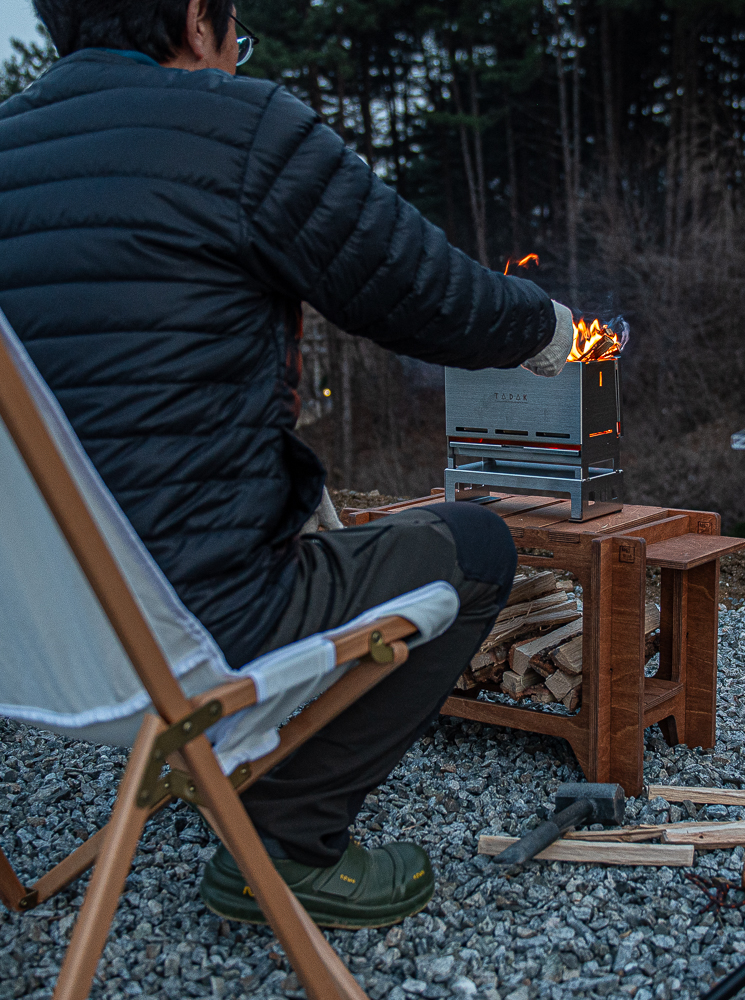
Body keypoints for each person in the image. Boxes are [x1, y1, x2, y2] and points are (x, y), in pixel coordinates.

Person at [0, 0, 575, 927]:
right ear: (196, 20)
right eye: (237, 40)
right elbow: (422, 293)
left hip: (31, 645)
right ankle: (290, 841)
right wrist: (544, 326)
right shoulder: (237, 129)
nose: (237, 61)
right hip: (190, 636)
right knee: (474, 545)